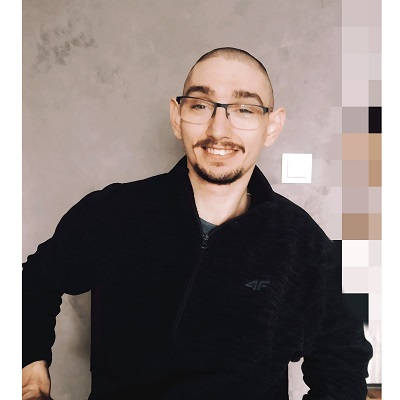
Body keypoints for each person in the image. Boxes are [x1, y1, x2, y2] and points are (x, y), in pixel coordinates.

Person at [22, 47, 373, 400]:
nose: (218, 129)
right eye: (200, 105)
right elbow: (35, 280)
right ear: (177, 117)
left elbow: (343, 367)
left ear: (272, 126)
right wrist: (28, 361)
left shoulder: (308, 247)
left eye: (244, 109)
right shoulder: (112, 212)